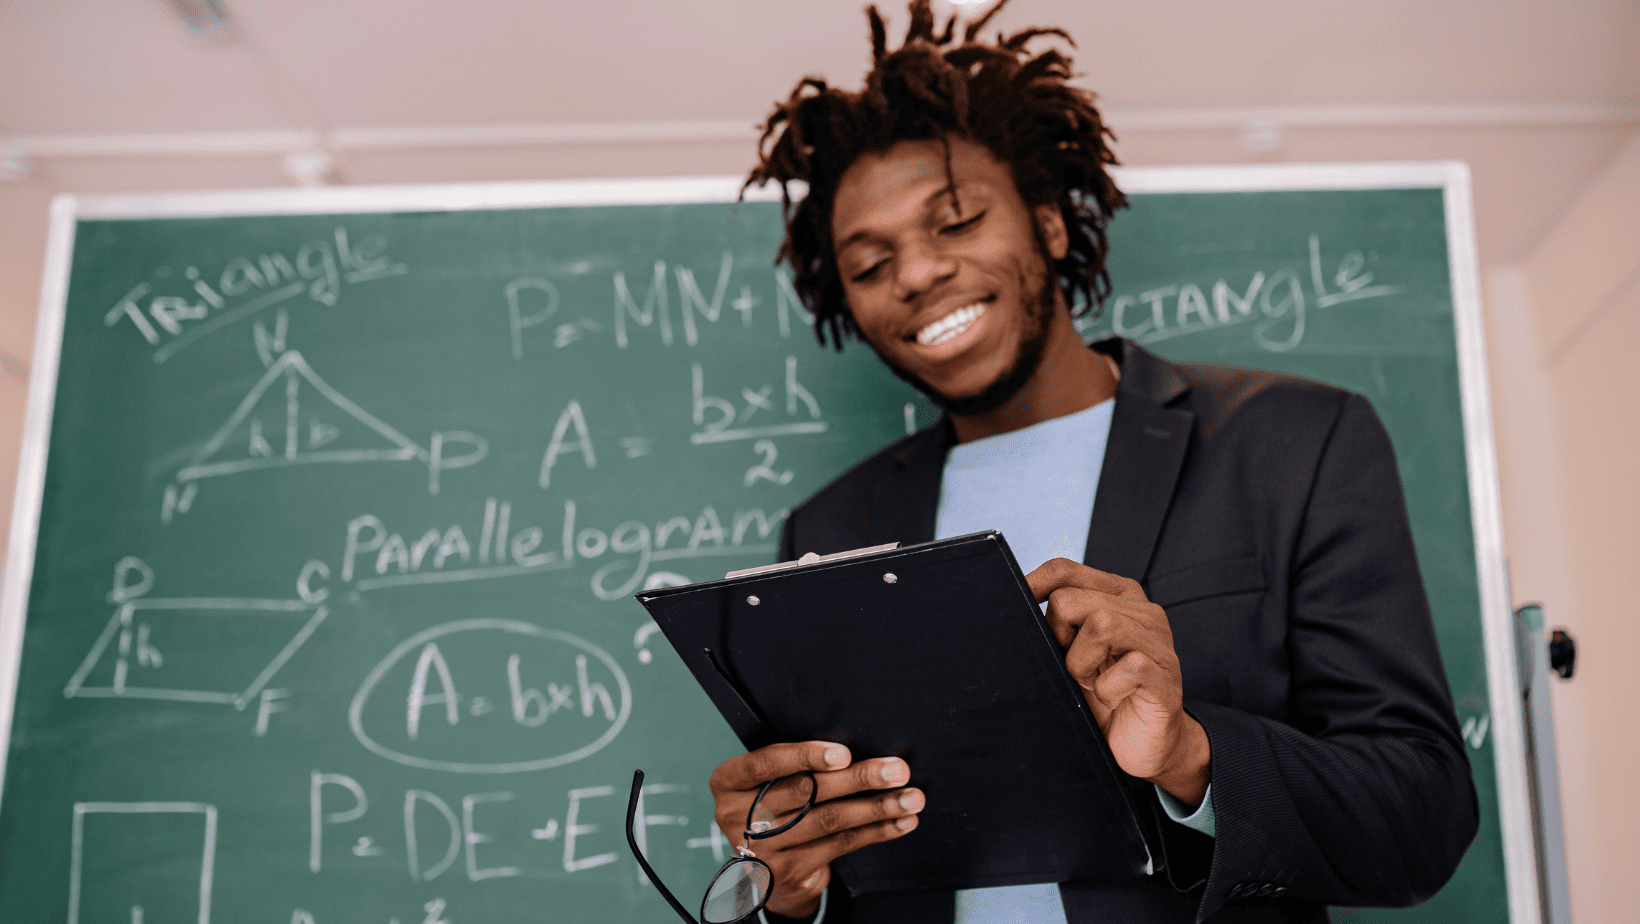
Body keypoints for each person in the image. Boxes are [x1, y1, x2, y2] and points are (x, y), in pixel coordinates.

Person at [707, 3, 1479, 921]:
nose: (914, 274)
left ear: (1050, 224)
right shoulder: (830, 530)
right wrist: (789, 889)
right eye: (869, 266)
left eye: (953, 221)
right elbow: (854, 868)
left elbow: (1422, 814)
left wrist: (1191, 754)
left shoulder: (1291, 442)